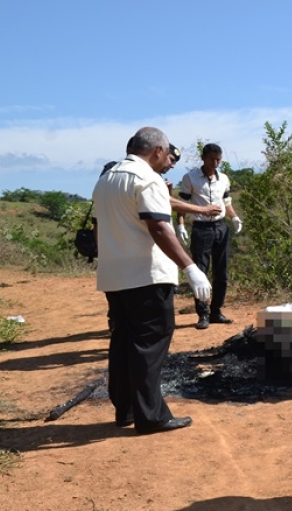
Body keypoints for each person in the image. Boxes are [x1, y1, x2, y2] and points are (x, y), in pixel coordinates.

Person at [93, 126, 212, 435]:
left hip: (114, 276)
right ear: (157, 150)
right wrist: (190, 267)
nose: (167, 161)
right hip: (146, 276)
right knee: (149, 345)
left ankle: (126, 410)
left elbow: (98, 230)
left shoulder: (105, 180)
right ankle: (151, 416)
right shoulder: (147, 179)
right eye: (166, 154)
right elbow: (158, 227)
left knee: (122, 343)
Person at [176, 143, 243, 330]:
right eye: (212, 159)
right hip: (202, 228)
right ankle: (202, 313)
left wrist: (234, 217)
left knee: (221, 272)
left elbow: (226, 202)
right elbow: (182, 204)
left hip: (221, 227)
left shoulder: (224, 179)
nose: (215, 163)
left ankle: (216, 311)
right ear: (203, 158)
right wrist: (181, 225)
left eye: (218, 160)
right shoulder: (190, 178)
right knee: (200, 271)